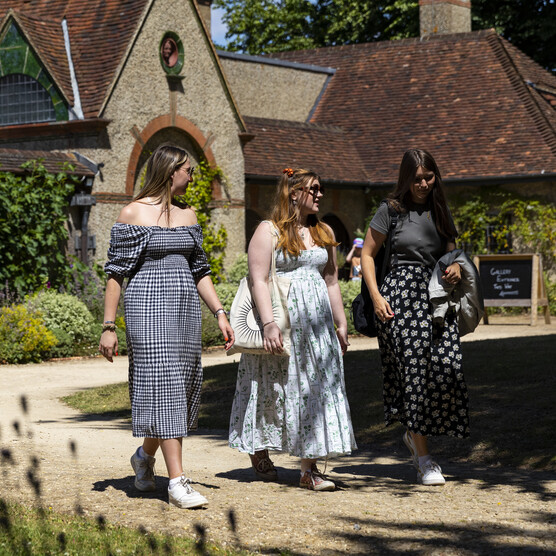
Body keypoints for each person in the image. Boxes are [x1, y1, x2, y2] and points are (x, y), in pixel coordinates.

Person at [99, 144, 234, 509]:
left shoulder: (189, 216)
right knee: (166, 383)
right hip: (146, 308)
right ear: (170, 170)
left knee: (181, 383)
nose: (192, 177)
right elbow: (115, 273)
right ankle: (177, 482)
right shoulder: (133, 213)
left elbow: (200, 270)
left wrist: (220, 312)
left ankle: (143, 458)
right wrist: (109, 325)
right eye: (188, 170)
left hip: (184, 311)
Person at [229, 168, 357, 491]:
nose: (319, 194)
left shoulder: (323, 232)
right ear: (293, 192)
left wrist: (340, 323)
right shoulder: (268, 231)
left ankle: (308, 468)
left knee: (314, 389)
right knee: (272, 388)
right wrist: (269, 322)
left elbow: (331, 281)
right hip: (283, 324)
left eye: (320, 188)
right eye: (313, 189)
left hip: (316, 329)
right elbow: (259, 279)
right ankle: (259, 446)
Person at [360, 148, 468, 486]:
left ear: (436, 177)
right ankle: (424, 458)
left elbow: (453, 255)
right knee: (414, 372)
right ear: (405, 178)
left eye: (428, 177)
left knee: (445, 369)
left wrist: (454, 268)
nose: (422, 184)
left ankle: (413, 434)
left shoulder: (439, 210)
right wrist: (376, 297)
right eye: (416, 178)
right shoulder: (389, 211)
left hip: (436, 299)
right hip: (399, 300)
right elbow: (366, 254)